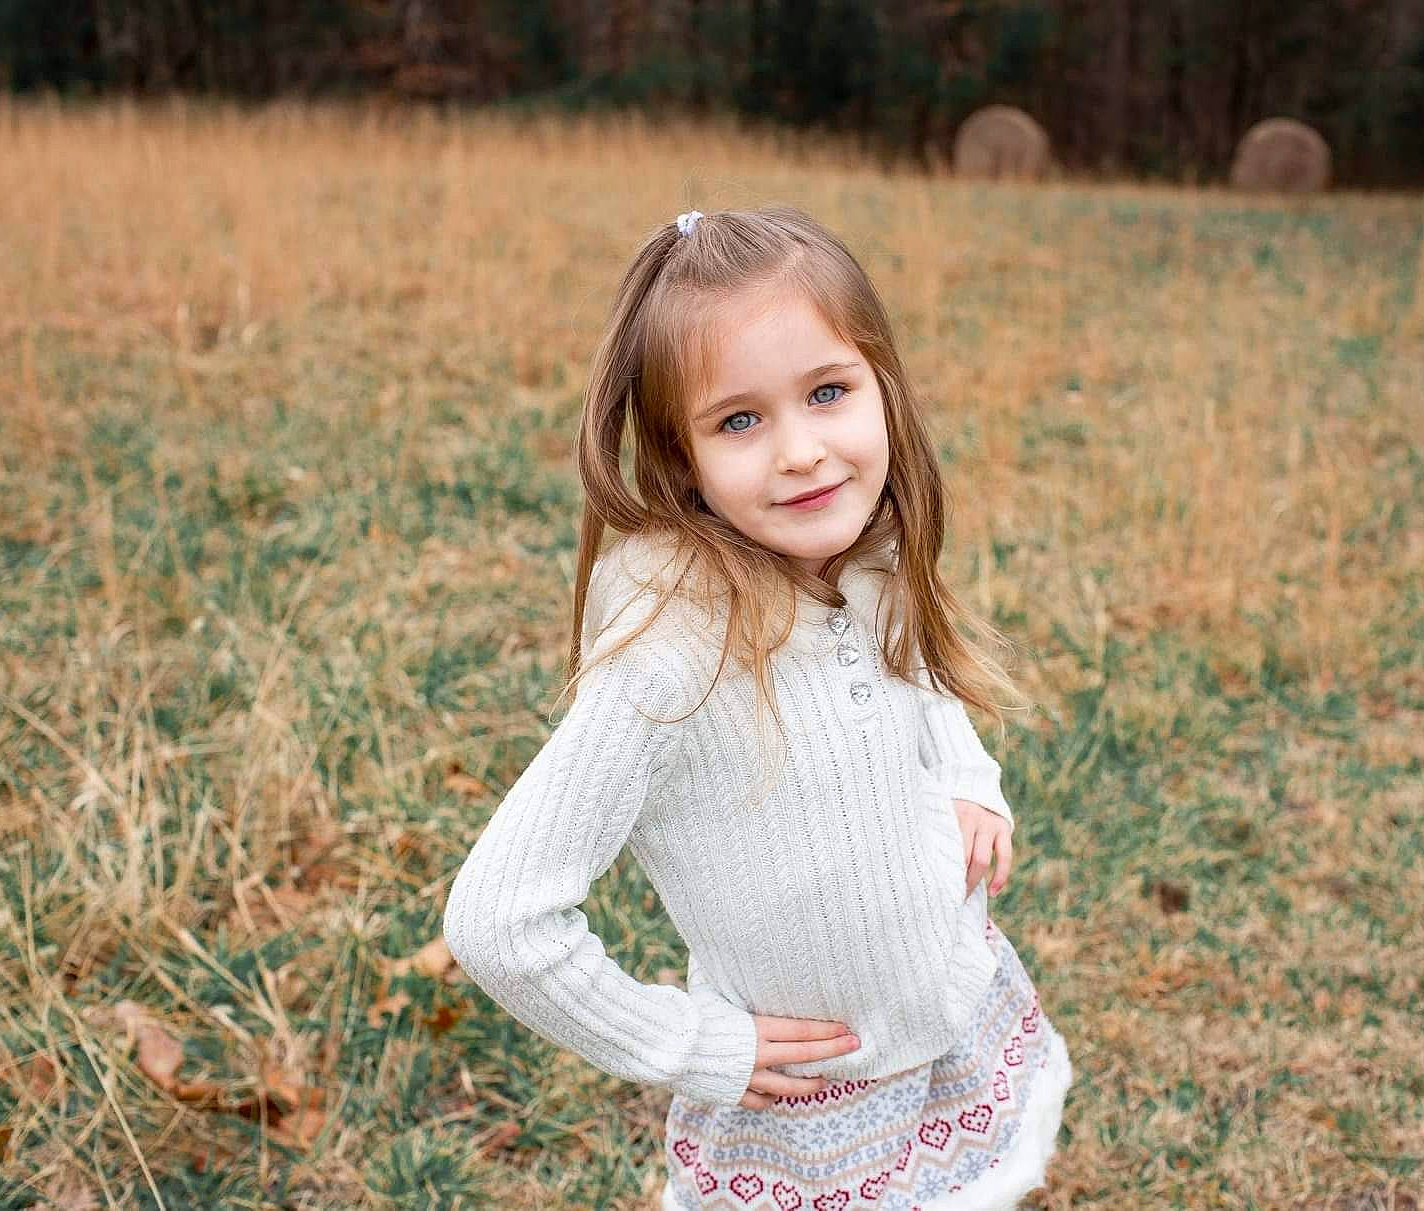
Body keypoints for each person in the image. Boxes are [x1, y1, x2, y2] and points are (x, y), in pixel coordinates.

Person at [443, 205, 1073, 1210]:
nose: (801, 450)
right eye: (740, 419)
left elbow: (920, 674)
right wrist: (689, 1042)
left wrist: (965, 776)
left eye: (828, 391)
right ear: (681, 458)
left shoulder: (861, 555)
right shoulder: (669, 661)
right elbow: (495, 918)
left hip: (945, 1010)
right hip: (813, 1104)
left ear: (882, 388)